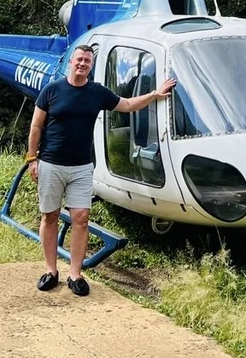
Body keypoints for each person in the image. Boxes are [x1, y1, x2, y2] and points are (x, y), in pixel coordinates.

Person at [25, 43, 175, 296]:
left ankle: (75, 274)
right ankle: (51, 270)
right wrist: (32, 158)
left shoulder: (97, 92)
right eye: (79, 59)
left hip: (82, 166)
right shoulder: (51, 91)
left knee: (81, 218)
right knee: (49, 216)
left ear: (91, 66)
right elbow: (36, 127)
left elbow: (127, 104)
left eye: (87, 61)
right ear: (71, 61)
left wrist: (154, 95)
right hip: (50, 163)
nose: (82, 64)